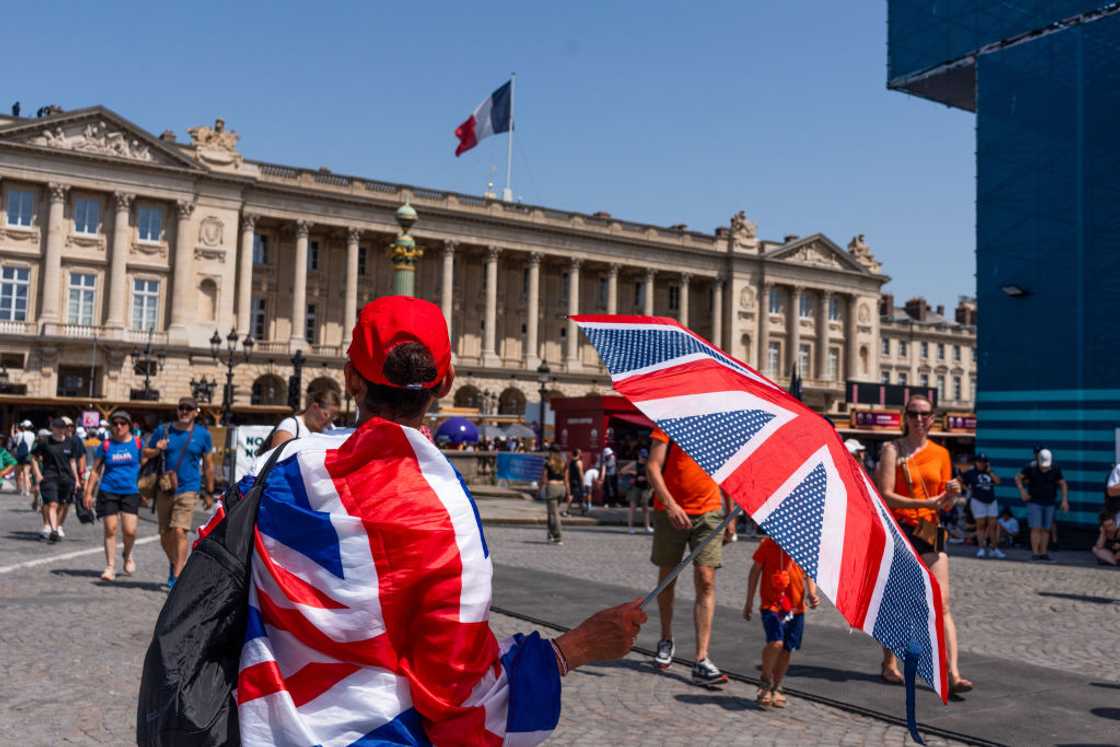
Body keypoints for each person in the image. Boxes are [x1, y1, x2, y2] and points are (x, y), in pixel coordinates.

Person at [230, 296, 645, 744]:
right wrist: (575, 648)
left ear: (351, 379)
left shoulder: (269, 471)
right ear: (444, 382)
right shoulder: (445, 515)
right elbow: (461, 698)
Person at [875, 394, 972, 693]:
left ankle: (952, 673)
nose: (919, 419)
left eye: (924, 414)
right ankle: (889, 662)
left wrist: (952, 493)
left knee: (941, 604)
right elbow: (886, 494)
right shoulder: (892, 449)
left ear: (933, 418)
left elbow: (944, 504)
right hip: (901, 529)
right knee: (898, 601)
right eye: (914, 414)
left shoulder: (942, 453)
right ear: (905, 417)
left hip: (931, 530)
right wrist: (924, 500)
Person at [647, 428, 734, 687]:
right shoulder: (667, 426)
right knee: (667, 578)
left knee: (706, 579)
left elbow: (726, 475)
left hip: (708, 512)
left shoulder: (719, 433)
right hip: (670, 512)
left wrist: (730, 515)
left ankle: (701, 658)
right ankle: (666, 638)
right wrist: (670, 504)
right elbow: (652, 467)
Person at [144, 397, 214, 589]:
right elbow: (146, 453)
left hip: (189, 488)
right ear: (177, 410)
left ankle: (178, 576)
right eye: (181, 408)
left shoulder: (203, 435)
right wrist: (157, 450)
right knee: (165, 535)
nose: (184, 411)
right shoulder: (164, 430)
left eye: (189, 409)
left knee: (179, 530)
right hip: (165, 488)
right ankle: (176, 562)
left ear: (195, 412)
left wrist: (209, 491)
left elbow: (208, 464)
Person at [743, 535, 820, 708]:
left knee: (786, 650)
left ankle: (776, 686)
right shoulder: (768, 544)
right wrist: (749, 601)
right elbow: (755, 571)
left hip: (796, 608)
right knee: (776, 643)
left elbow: (809, 574)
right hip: (772, 606)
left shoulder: (804, 546)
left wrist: (812, 593)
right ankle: (765, 681)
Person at [82, 410, 143, 581]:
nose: (119, 427)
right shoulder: (106, 445)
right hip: (108, 490)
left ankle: (128, 555)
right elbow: (95, 471)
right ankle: (110, 566)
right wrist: (88, 492)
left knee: (130, 531)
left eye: (123, 424)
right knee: (111, 529)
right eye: (115, 424)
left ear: (129, 426)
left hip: (130, 491)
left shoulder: (137, 443)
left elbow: (145, 463)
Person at [30, 418, 80, 543]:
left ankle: (57, 526)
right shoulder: (45, 442)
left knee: (63, 504)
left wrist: (77, 479)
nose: (59, 430)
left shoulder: (70, 443)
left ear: (65, 429)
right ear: (52, 428)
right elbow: (34, 458)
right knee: (52, 504)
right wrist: (37, 474)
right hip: (49, 477)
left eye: (62, 428)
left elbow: (73, 462)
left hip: (66, 478)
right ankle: (54, 530)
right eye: (56, 427)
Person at [1014, 448, 1069, 561]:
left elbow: (1062, 484)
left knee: (1046, 528)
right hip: (1034, 501)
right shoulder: (1031, 466)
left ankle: (1043, 552)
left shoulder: (1055, 468)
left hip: (1050, 501)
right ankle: (1035, 553)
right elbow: (1018, 478)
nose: (1044, 467)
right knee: (1035, 528)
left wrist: (1064, 500)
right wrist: (1022, 491)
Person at [265, 387, 342, 450]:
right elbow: (278, 463)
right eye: (326, 415)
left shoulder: (330, 429)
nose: (329, 422)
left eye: (333, 418)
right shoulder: (290, 426)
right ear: (314, 407)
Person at [961, 454, 1004, 558]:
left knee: (993, 525)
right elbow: (960, 480)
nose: (981, 464)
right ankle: (981, 549)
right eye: (980, 461)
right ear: (976, 462)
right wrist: (967, 489)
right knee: (980, 525)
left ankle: (994, 549)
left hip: (991, 500)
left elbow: (999, 482)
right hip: (978, 501)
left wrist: (990, 472)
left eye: (984, 462)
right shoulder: (971, 472)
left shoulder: (989, 472)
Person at [539, 444, 566, 545]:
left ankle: (558, 537)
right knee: (552, 513)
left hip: (552, 488)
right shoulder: (563, 463)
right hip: (562, 488)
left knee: (554, 514)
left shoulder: (549, 462)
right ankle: (550, 535)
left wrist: (540, 488)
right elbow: (566, 478)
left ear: (551, 451)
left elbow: (544, 477)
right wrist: (568, 491)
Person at [627, 447, 653, 534]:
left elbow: (652, 477)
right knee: (632, 507)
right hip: (636, 487)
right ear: (639, 456)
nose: (644, 459)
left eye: (645, 457)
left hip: (645, 488)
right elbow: (622, 471)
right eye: (642, 457)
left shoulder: (648, 464)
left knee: (645, 508)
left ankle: (647, 527)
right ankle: (630, 527)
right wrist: (633, 474)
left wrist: (645, 478)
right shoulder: (635, 464)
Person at [13, 420, 36, 505]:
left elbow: (14, 441)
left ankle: (20, 489)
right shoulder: (33, 435)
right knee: (26, 473)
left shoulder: (19, 434)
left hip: (19, 455)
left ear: (23, 427)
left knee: (18, 473)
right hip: (28, 455)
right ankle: (27, 491)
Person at [561, 446, 585, 516]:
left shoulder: (570, 462)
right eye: (580, 453)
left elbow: (567, 472)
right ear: (578, 454)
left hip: (571, 480)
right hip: (577, 481)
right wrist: (583, 482)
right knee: (575, 496)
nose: (581, 454)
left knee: (574, 495)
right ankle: (567, 510)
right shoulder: (579, 462)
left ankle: (582, 509)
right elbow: (581, 473)